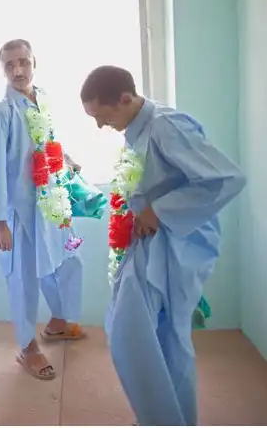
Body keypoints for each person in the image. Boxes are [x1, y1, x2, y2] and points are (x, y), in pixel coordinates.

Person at [80, 65, 246, 426]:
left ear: (125, 99)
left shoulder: (166, 126)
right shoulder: (136, 129)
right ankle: (167, 419)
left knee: (156, 337)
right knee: (149, 335)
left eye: (103, 116)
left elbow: (226, 178)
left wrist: (159, 210)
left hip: (178, 244)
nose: (101, 125)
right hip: (149, 243)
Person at [0, 39, 86, 381]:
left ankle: (59, 321)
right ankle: (28, 348)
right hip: (19, 212)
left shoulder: (44, 99)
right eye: (9, 65)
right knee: (24, 279)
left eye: (23, 62)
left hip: (51, 202)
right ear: (2, 69)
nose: (17, 70)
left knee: (69, 261)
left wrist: (65, 159)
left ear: (34, 62)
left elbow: (48, 140)